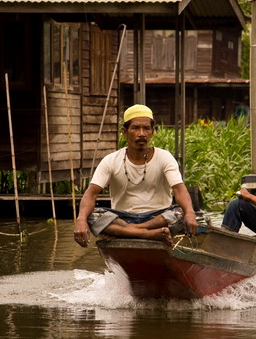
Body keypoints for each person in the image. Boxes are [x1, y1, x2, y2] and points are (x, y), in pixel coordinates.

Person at [74, 104, 198, 247]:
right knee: (90, 216)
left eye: (146, 128)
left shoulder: (164, 157)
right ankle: (147, 234)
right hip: (123, 218)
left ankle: (127, 232)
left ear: (152, 132)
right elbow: (91, 194)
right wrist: (81, 220)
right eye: (135, 128)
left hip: (158, 218)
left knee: (181, 213)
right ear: (125, 132)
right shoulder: (111, 160)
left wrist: (190, 212)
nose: (141, 133)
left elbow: (179, 189)